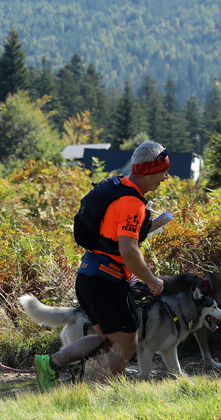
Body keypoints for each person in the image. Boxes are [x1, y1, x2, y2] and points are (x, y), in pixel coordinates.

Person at [35, 141, 173, 388]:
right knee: (127, 343)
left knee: (107, 339)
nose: (166, 177)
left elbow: (116, 238)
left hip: (89, 276)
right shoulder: (133, 203)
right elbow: (128, 251)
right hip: (106, 280)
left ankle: (51, 363)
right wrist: (151, 281)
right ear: (151, 171)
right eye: (163, 171)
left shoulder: (119, 187)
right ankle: (101, 395)